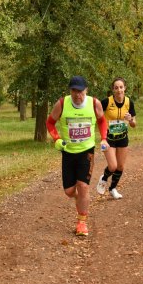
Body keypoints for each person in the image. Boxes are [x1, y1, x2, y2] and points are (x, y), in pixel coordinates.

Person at [46, 76, 108, 236]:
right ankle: (79, 199)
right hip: (68, 152)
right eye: (74, 91)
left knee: (83, 186)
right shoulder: (61, 104)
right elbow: (50, 122)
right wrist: (57, 139)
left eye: (80, 91)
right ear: (70, 91)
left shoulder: (94, 104)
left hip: (86, 152)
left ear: (86, 90)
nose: (77, 95)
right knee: (69, 191)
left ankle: (82, 223)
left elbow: (102, 121)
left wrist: (104, 138)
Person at [96, 77, 137, 199]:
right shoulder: (106, 102)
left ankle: (113, 188)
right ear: (113, 90)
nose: (119, 90)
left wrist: (131, 120)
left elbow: (134, 124)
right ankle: (103, 178)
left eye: (121, 87)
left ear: (125, 88)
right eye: (116, 88)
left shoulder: (129, 102)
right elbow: (96, 115)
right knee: (112, 166)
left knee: (120, 167)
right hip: (109, 138)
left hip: (123, 138)